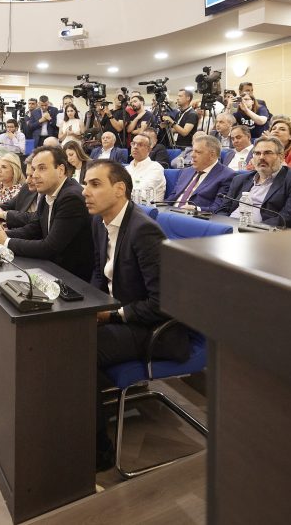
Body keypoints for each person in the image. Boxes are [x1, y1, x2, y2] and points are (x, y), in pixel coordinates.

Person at [84, 159, 186, 471]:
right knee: (63, 334)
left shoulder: (144, 231)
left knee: (78, 351)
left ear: (119, 189)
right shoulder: (100, 221)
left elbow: (163, 303)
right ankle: (78, 412)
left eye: (95, 184)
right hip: (119, 315)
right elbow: (100, 273)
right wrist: (90, 307)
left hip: (155, 329)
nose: (85, 191)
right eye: (85, 183)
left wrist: (112, 315)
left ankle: (97, 450)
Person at [0, 146, 94, 281]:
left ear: (60, 170)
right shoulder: (48, 193)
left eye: (42, 168)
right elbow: (33, 229)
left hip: (72, 279)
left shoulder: (71, 197)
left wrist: (6, 241)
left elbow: (50, 247)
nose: (34, 175)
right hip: (51, 269)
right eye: (34, 169)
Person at [217, 136, 291, 228]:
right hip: (229, 227)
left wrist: (253, 228)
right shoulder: (240, 179)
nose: (261, 157)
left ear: (281, 157)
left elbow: (290, 218)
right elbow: (223, 209)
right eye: (257, 153)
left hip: (262, 232)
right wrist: (222, 226)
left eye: (268, 153)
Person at [165, 134, 237, 212]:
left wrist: (197, 209)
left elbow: (218, 208)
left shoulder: (227, 175)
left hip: (195, 216)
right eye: (193, 151)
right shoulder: (186, 171)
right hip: (170, 212)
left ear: (212, 155)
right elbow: (172, 197)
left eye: (198, 152)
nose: (192, 155)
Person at [124, 133, 166, 202]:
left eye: (140, 145)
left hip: (146, 207)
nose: (135, 147)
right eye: (133, 144)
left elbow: (141, 195)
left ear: (149, 149)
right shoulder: (127, 169)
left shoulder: (155, 168)